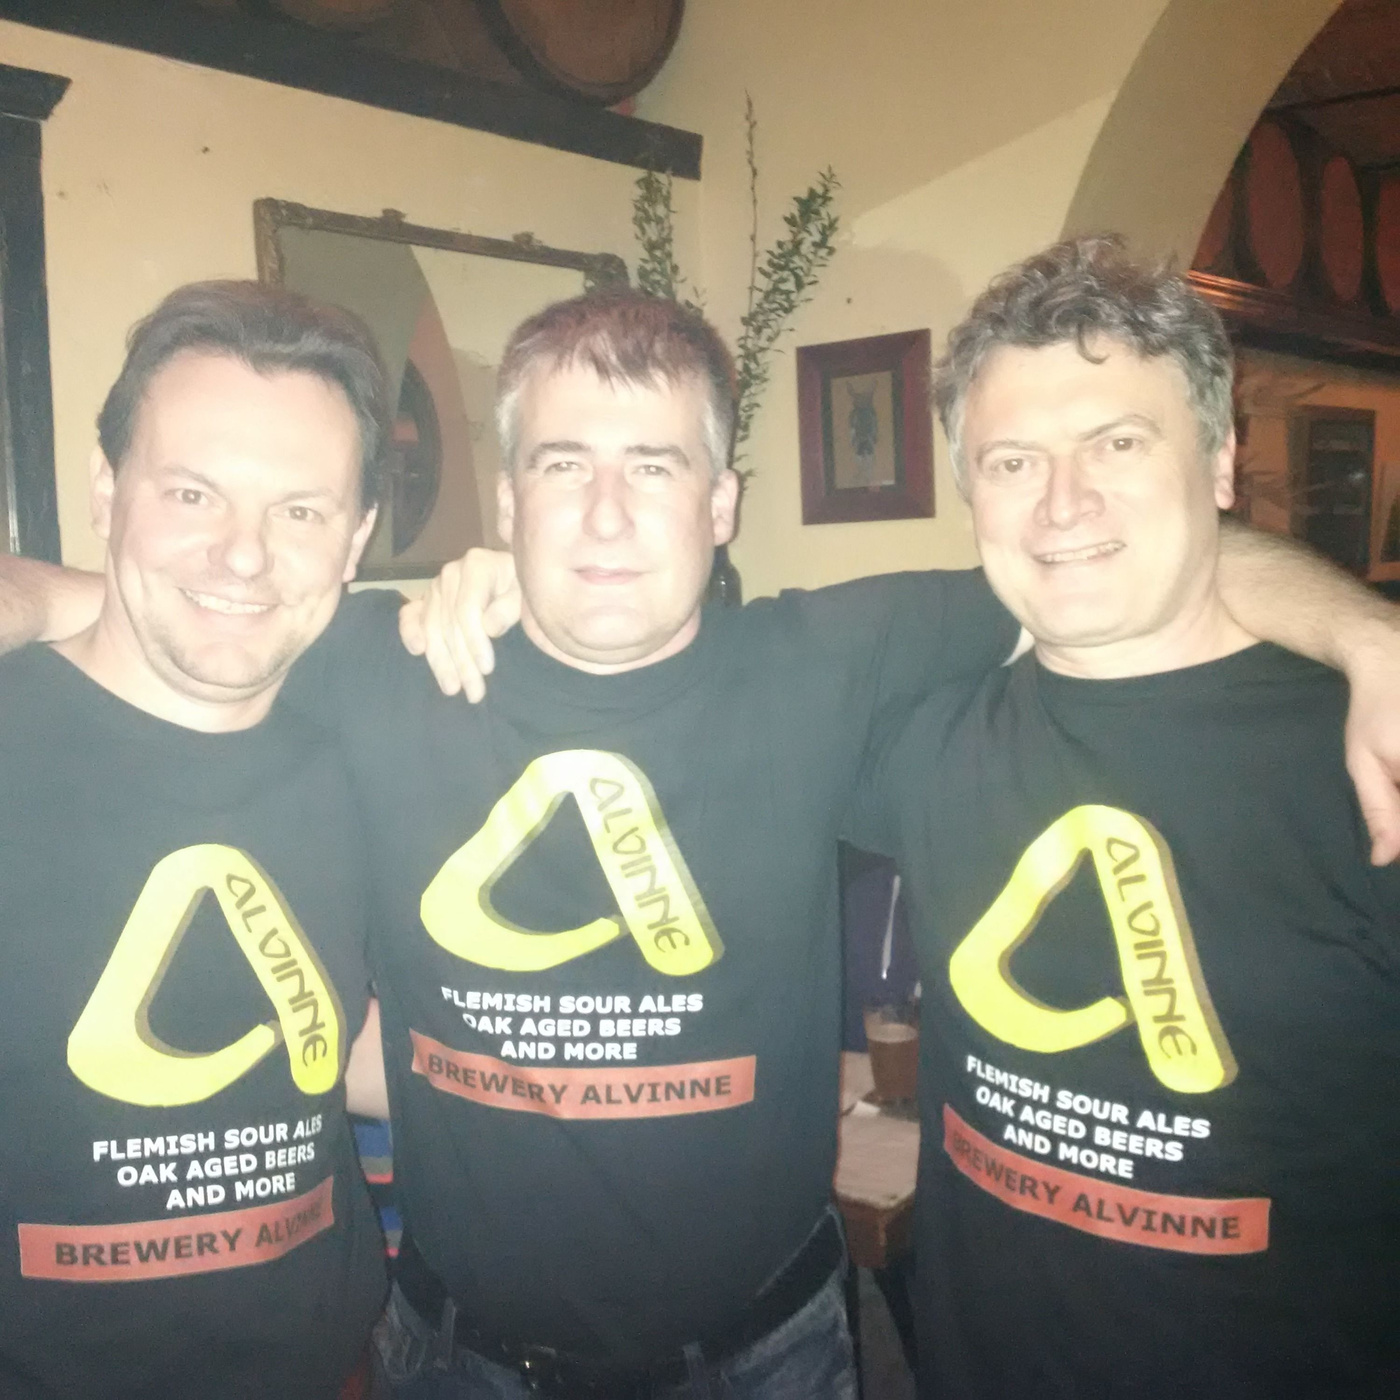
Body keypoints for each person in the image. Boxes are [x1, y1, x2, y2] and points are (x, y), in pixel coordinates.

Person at [7, 286, 1400, 1400]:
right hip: (453, 1356)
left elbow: (1103, 565)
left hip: (769, 1354)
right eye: (563, 466)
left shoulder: (840, 663)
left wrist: (1363, 630)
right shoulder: (372, 664)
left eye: (655, 466)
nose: (607, 514)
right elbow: (186, 606)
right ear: (506, 502)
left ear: (720, 504)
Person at [848, 235, 1400, 1398]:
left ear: (1218, 462)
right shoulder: (918, 739)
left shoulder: (1368, 761)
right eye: (1012, 461)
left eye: (1117, 442)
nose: (1063, 501)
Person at [0, 281, 391, 1398]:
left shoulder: (373, 744)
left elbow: (334, 1042)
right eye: (191, 493)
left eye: (300, 511)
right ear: (105, 491)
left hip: (329, 1367)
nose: (243, 555)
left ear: (357, 539)